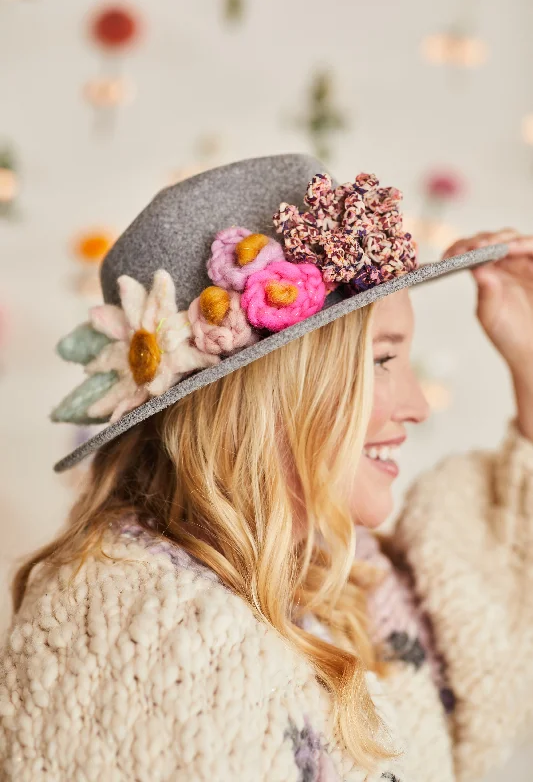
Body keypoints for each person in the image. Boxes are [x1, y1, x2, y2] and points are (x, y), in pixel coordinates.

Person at [0, 154, 531, 782]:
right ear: (275, 390)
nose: (415, 406)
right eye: (382, 361)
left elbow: (482, 627)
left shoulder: (343, 583)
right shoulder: (146, 642)